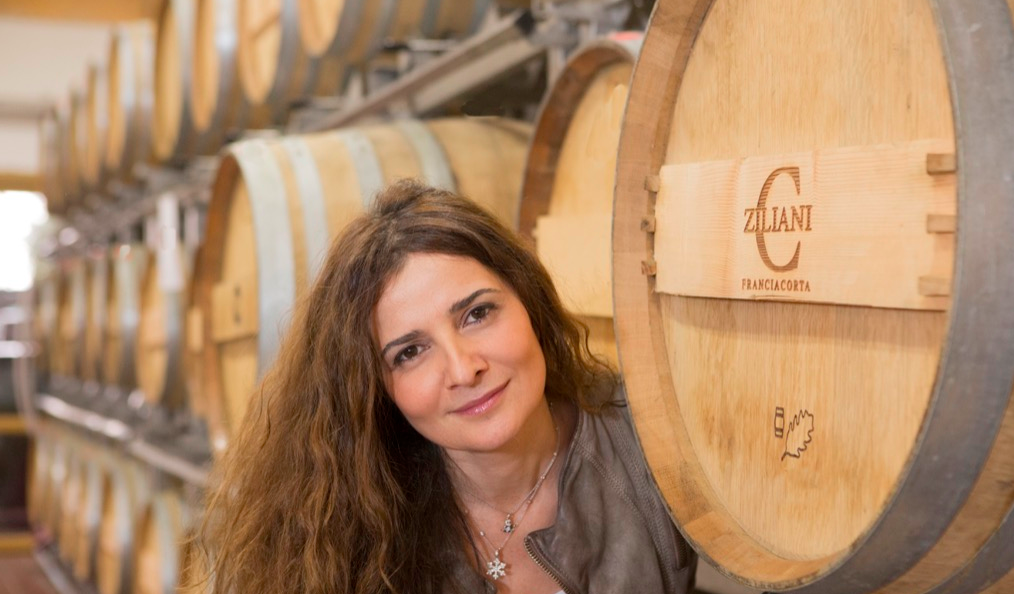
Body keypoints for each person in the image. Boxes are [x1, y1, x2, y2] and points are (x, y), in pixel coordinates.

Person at [198, 179, 697, 594]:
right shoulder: (356, 528)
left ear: (529, 301)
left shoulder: (651, 444)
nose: (462, 370)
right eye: (410, 353)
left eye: (477, 314)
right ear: (376, 391)